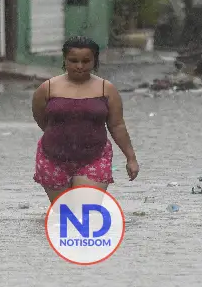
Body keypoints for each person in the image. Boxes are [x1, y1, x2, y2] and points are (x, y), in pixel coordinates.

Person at [31, 36, 140, 204]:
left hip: (95, 157)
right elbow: (41, 118)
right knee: (63, 214)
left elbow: (117, 125)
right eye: (73, 61)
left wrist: (131, 158)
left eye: (86, 61)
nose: (79, 66)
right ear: (65, 60)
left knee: (86, 212)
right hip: (52, 158)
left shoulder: (107, 89)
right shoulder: (48, 88)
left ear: (94, 61)